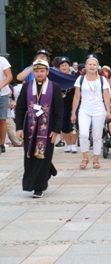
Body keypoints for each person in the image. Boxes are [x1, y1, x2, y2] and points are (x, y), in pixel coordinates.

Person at [14, 60, 64, 198]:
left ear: (47, 72)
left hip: (47, 128)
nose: (39, 74)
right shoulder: (27, 87)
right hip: (29, 127)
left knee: (43, 154)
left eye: (42, 71)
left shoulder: (54, 87)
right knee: (30, 154)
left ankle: (39, 187)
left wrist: (56, 130)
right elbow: (20, 108)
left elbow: (59, 110)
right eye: (36, 71)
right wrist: (18, 128)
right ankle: (47, 170)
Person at [71, 55, 111, 170]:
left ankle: (96, 159)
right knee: (83, 134)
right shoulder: (81, 79)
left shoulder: (102, 80)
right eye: (90, 64)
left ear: (97, 66)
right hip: (84, 109)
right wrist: (73, 112)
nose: (92, 66)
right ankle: (84, 157)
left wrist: (108, 110)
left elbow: (106, 96)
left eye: (94, 64)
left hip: (99, 109)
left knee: (97, 135)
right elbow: (77, 97)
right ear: (86, 66)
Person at [56, 57, 78, 153]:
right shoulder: (56, 78)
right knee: (64, 125)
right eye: (62, 65)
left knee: (73, 124)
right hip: (61, 104)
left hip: (74, 103)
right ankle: (68, 145)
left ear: (69, 66)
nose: (64, 67)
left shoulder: (75, 77)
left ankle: (73, 144)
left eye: (66, 65)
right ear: (59, 67)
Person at [0, 53, 12, 154]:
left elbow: (9, 76)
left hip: (2, 94)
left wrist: (0, 86)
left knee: (2, 119)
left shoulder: (2, 60)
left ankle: (1, 143)